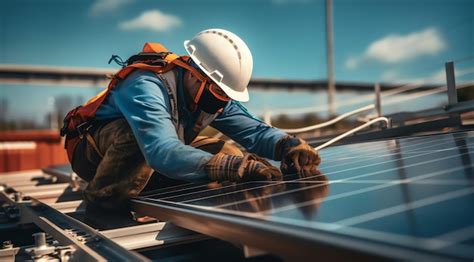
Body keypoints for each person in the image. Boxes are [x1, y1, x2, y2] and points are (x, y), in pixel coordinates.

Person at [62, 29, 321, 221]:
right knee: (135, 139)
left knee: (228, 153)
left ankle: (157, 193)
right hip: (93, 155)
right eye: (219, 93)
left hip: (152, 152)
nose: (222, 102)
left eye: (226, 96)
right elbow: (161, 150)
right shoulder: (145, 84)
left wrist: (288, 145)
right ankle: (103, 206)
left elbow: (252, 130)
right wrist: (232, 168)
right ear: (196, 75)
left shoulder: (213, 95)